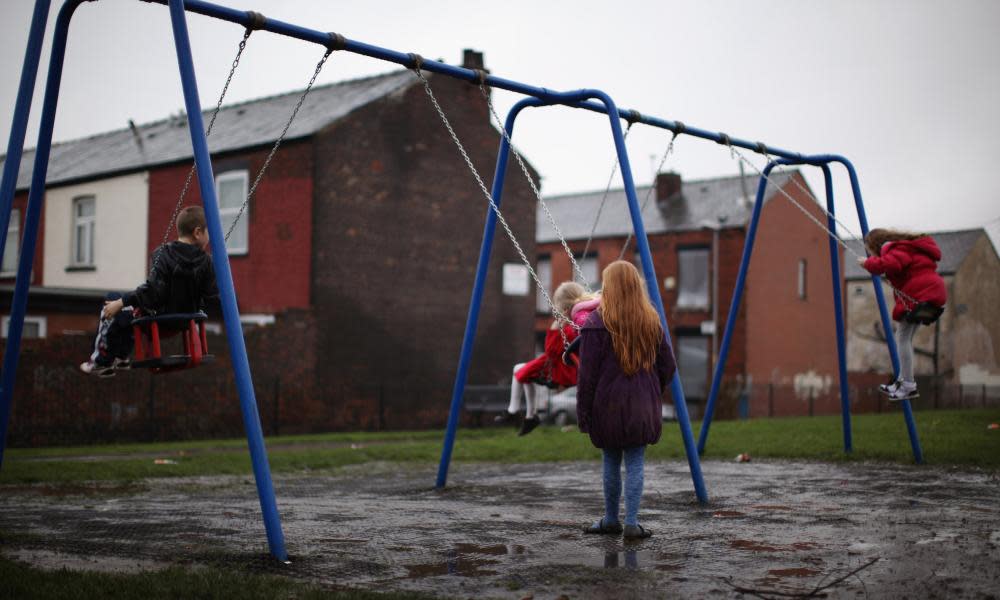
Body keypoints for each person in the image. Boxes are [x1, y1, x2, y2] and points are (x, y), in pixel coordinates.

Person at [576, 261, 675, 540]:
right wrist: (653, 390)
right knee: (635, 461)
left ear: (608, 287)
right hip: (642, 406)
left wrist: (584, 414)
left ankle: (610, 519)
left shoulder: (596, 323)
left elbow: (587, 377)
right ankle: (631, 522)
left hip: (606, 406)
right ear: (636, 286)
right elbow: (668, 366)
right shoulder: (651, 320)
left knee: (610, 459)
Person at [79, 206, 219, 377]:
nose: (211, 238)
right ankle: (121, 357)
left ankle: (99, 362)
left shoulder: (163, 253)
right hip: (184, 324)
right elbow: (212, 296)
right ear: (198, 233)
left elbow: (153, 292)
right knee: (128, 311)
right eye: (209, 232)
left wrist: (121, 302)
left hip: (157, 322)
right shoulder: (208, 262)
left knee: (113, 301)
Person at [859, 228, 947, 401]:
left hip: (922, 293)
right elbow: (898, 268)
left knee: (902, 338)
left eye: (871, 250)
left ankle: (908, 385)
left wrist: (867, 263)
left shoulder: (894, 248)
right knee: (906, 338)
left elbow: (889, 265)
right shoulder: (908, 247)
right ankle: (901, 382)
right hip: (933, 292)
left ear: (876, 245)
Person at [498, 281, 589, 435]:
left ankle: (517, 412)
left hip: (559, 370)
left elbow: (551, 350)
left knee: (520, 371)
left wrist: (555, 328)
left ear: (563, 307)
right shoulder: (580, 322)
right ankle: (528, 415)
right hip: (563, 367)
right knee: (524, 372)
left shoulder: (566, 326)